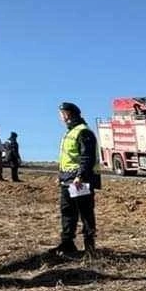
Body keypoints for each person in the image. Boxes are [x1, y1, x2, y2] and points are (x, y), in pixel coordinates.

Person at [56, 101, 101, 256]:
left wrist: (80, 176)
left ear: (67, 114)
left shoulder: (83, 132)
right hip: (67, 180)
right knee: (68, 212)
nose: (60, 117)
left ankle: (90, 247)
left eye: (61, 113)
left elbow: (87, 157)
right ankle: (67, 244)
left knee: (85, 213)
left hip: (79, 181)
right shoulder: (70, 132)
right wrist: (61, 176)